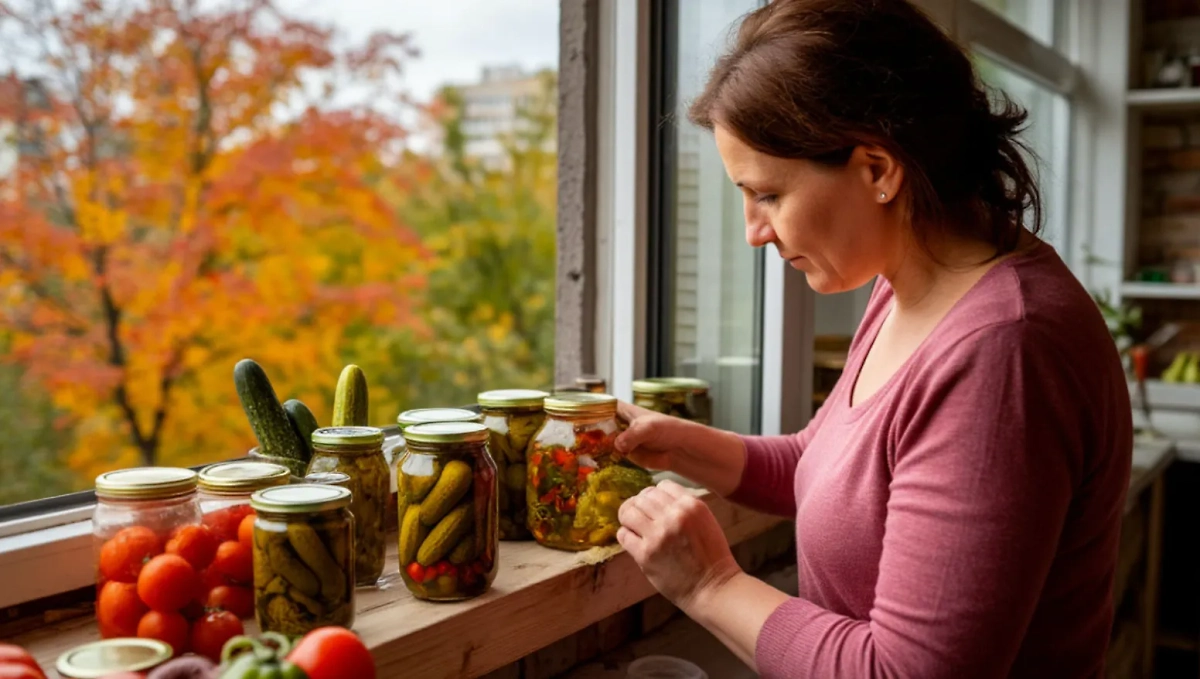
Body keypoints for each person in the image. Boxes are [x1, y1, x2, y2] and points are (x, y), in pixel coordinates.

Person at [613, 1, 1132, 677]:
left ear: (878, 169)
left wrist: (709, 583)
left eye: (767, 194)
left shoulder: (1004, 353)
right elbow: (837, 466)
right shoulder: (913, 283)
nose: (754, 231)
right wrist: (681, 443)